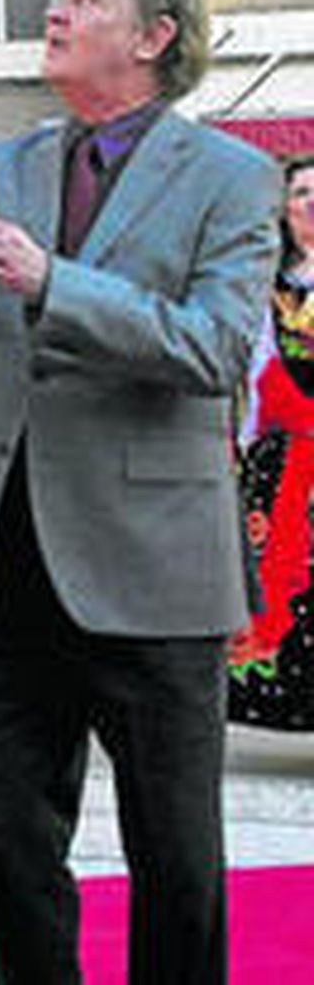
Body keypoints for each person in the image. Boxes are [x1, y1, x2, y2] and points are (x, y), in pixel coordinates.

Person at [0, 0, 280, 985]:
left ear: (153, 36)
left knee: (175, 857)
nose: (55, 8)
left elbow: (216, 348)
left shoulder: (233, 177)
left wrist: (53, 282)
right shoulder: (2, 165)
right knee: (1, 833)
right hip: (6, 554)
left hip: (157, 566)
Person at [229, 156, 314, 728]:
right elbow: (255, 372)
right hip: (281, 459)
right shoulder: (265, 287)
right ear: (283, 209)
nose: (312, 203)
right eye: (301, 192)